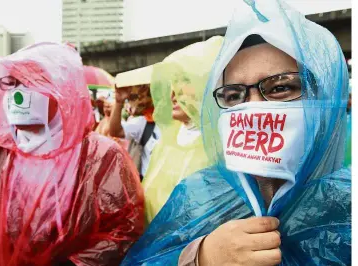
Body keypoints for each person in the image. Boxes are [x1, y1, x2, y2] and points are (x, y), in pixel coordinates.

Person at [121, 0, 351, 265]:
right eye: (233, 95)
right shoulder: (198, 194)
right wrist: (200, 257)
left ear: (326, 99)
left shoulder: (347, 208)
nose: (253, 107)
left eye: (279, 88)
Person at [0, 42, 145, 266]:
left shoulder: (101, 157)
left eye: (31, 83)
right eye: (11, 83)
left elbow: (124, 228)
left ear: (63, 91)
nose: (18, 94)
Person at [142, 36, 223, 223]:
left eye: (185, 80)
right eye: (173, 81)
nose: (173, 92)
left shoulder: (221, 143)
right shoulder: (168, 138)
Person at [109, 69, 160, 178]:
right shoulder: (143, 123)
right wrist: (119, 102)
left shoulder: (179, 122)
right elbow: (115, 131)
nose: (141, 101)